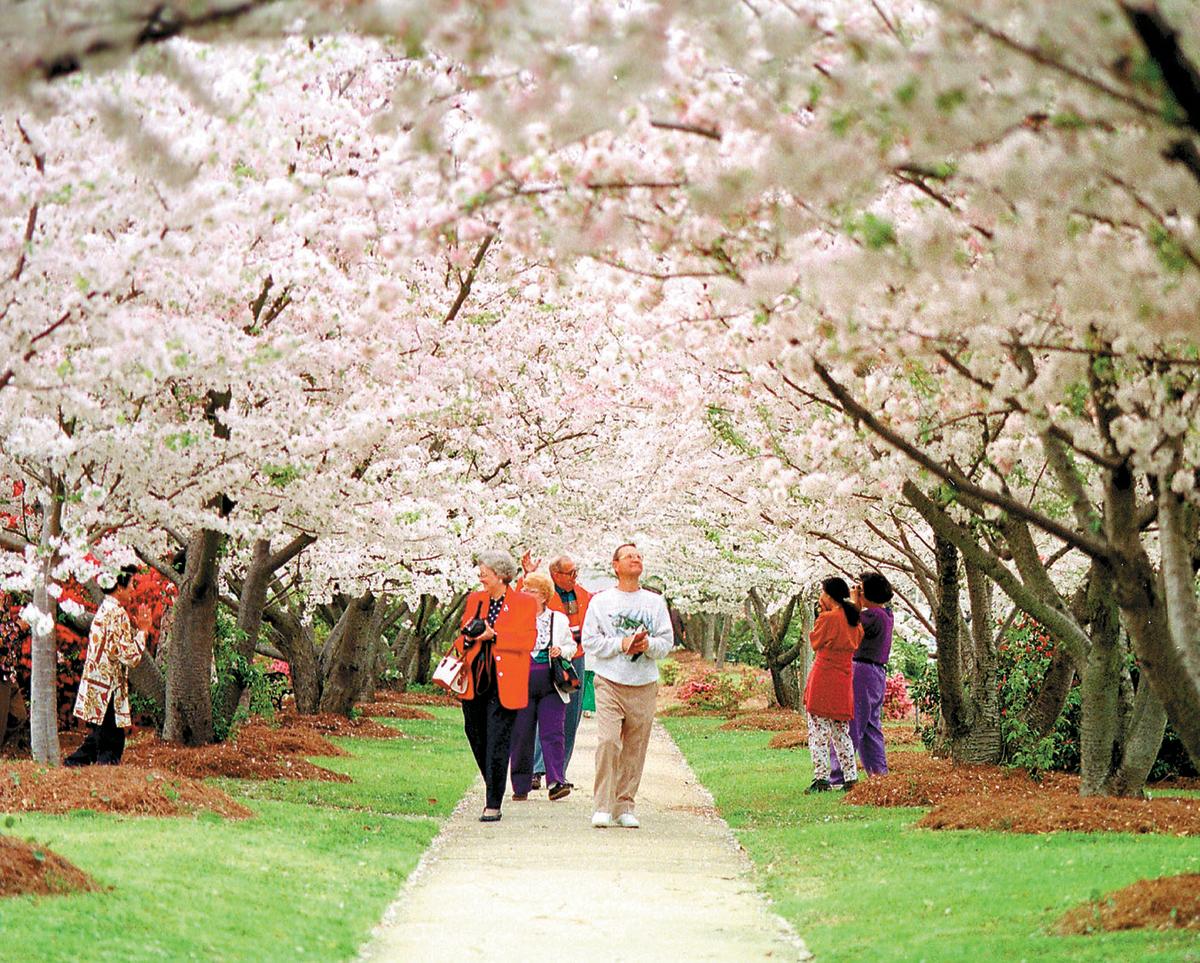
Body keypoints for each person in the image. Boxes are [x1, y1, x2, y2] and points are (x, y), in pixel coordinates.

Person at [583, 543, 673, 828]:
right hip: (609, 680)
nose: (635, 559)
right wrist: (622, 643)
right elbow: (590, 641)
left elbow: (666, 642)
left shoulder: (655, 602)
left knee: (635, 747)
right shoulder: (601, 602)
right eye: (629, 556)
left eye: (639, 556)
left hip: (644, 683)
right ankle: (602, 805)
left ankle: (625, 805)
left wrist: (647, 645)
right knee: (609, 741)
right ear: (615, 565)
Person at [452, 550, 537, 822]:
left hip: (505, 683)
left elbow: (528, 641)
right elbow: (464, 633)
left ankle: (493, 803)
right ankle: (494, 782)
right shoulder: (476, 600)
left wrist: (496, 635)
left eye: (485, 572)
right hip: (475, 680)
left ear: (500, 575)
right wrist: (470, 636)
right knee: (475, 733)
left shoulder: (523, 602)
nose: (481, 577)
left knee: (498, 740)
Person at [65, 566, 149, 767]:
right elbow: (129, 656)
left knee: (97, 739)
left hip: (98, 683)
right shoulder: (117, 614)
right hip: (108, 687)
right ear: (119, 587)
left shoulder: (105, 608)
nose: (133, 590)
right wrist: (143, 632)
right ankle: (104, 783)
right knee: (111, 744)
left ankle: (71, 765)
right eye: (131, 585)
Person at [520, 551, 592, 789]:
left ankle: (558, 773)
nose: (574, 576)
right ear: (555, 574)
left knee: (570, 717)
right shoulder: (546, 593)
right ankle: (535, 769)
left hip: (573, 657)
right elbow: (523, 599)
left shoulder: (582, 594)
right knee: (545, 716)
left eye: (575, 571)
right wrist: (528, 573)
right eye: (570, 572)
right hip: (544, 661)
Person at [508, 572, 576, 801]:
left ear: (544, 596)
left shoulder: (558, 619)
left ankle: (557, 781)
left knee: (553, 732)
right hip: (522, 681)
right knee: (521, 733)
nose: (526, 594)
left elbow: (571, 647)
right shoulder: (515, 617)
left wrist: (562, 651)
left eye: (532, 590)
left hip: (551, 682)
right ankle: (520, 785)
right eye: (524, 589)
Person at [830, 572, 895, 785]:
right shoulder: (886, 614)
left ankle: (838, 775)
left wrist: (855, 603)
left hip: (862, 673)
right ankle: (879, 775)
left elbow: (848, 624)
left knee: (850, 722)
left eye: (860, 588)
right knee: (870, 728)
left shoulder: (872, 616)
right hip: (876, 674)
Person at [803, 576, 863, 793]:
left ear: (828, 595)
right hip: (843, 678)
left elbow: (815, 642)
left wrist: (820, 615)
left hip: (824, 677)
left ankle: (821, 778)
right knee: (841, 731)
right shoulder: (853, 620)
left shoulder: (828, 619)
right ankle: (850, 777)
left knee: (819, 731)